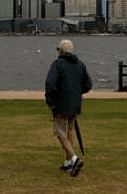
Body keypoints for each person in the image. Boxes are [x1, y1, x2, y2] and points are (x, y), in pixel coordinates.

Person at [44, 39, 92, 177]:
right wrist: (76, 92)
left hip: (60, 103)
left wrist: (50, 100)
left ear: (61, 51)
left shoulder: (57, 64)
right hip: (75, 104)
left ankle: (74, 158)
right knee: (69, 130)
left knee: (60, 132)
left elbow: (50, 84)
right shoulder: (80, 65)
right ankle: (68, 163)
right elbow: (88, 85)